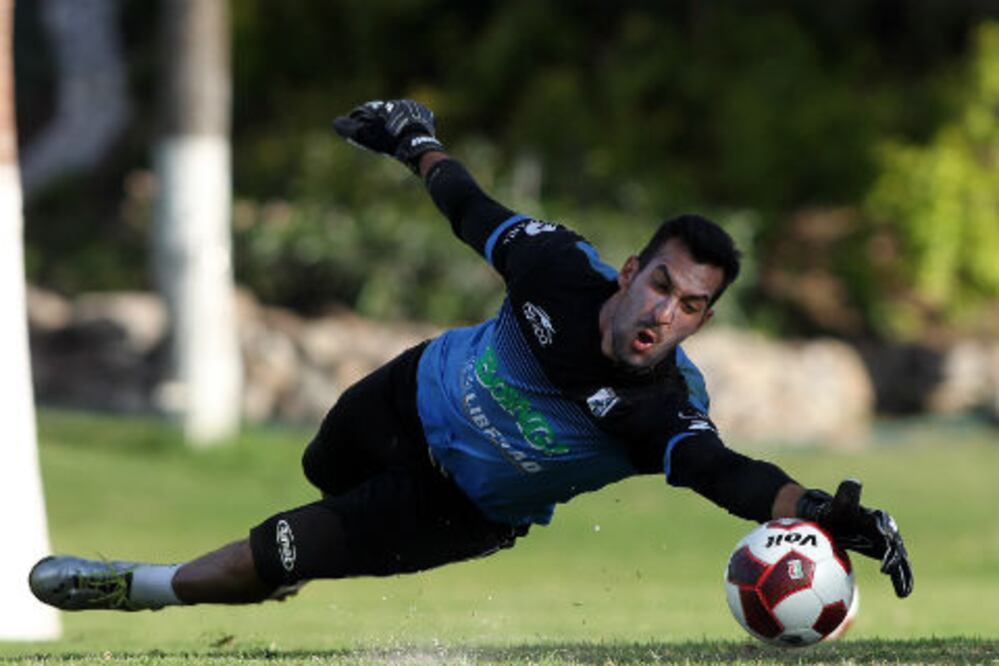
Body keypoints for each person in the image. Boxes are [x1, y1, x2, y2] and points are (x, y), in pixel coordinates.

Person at [29, 100, 913, 614]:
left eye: (690, 307)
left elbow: (730, 475)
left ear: (699, 322)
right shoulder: (557, 267)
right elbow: (469, 206)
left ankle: (131, 586)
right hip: (409, 395)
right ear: (632, 268)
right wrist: (412, 137)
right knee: (316, 470)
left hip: (454, 509)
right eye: (661, 285)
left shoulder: (660, 406)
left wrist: (831, 516)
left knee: (267, 554)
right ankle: (292, 560)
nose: (663, 312)